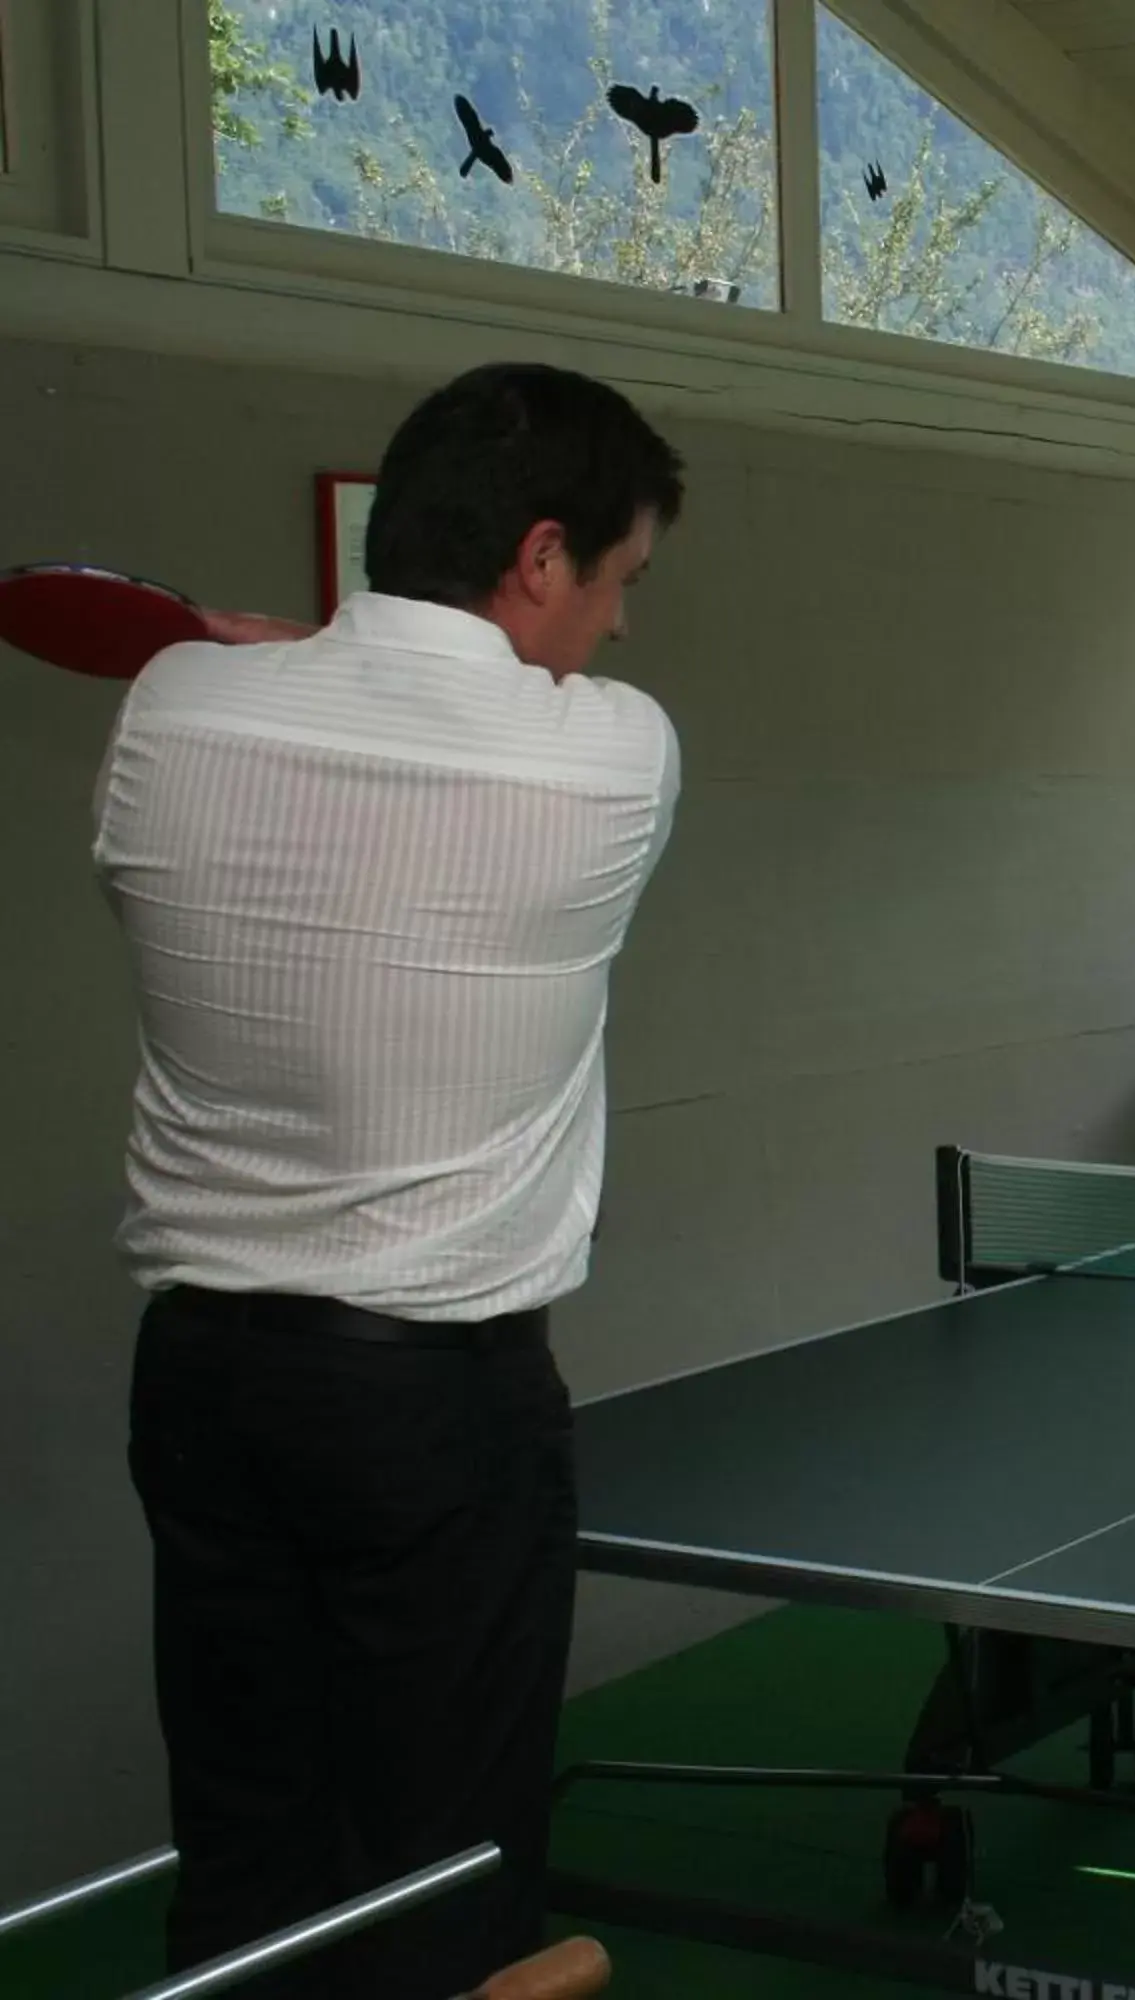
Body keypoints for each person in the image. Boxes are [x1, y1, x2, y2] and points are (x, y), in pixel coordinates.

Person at [95, 361, 686, 1996]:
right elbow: (443, 717)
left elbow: (318, 709)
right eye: (622, 582)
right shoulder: (616, 760)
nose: (623, 632)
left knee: (246, 1843)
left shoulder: (172, 709)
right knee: (447, 1872)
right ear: (543, 556)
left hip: (205, 1386)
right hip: (435, 1409)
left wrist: (269, 666)